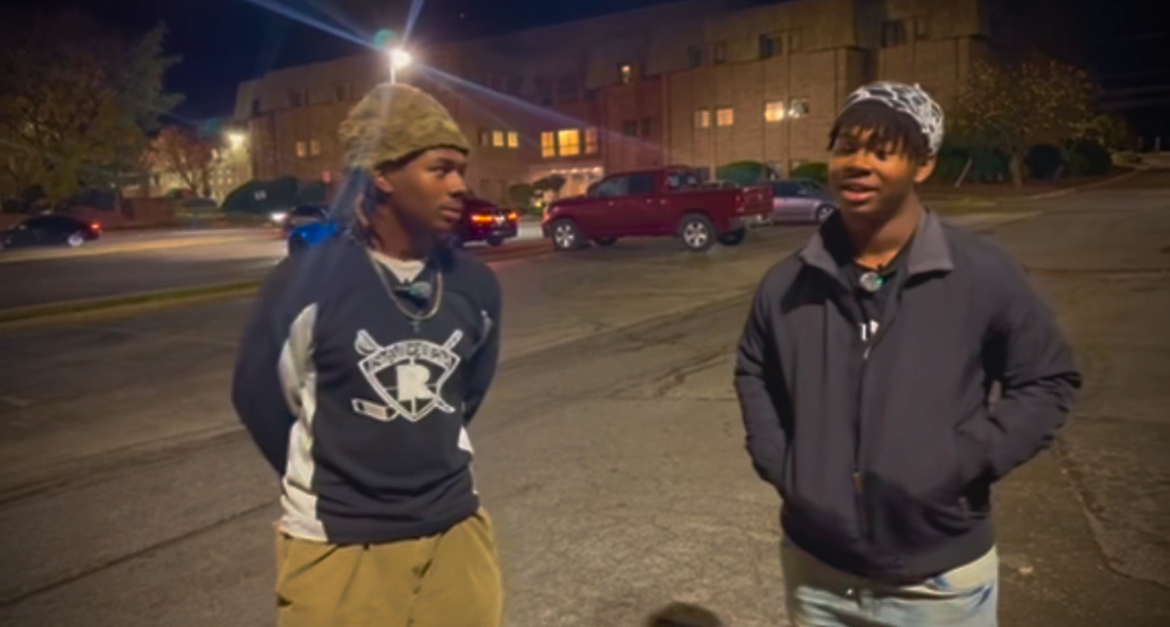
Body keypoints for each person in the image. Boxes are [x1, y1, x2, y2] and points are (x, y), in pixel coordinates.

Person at [733, 82, 1081, 626]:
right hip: (818, 575)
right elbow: (754, 367)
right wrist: (783, 463)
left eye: (881, 151)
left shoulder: (981, 273)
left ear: (923, 164)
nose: (858, 164)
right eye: (847, 147)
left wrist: (961, 463)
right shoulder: (789, 282)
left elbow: (1047, 379)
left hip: (939, 584)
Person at [231, 82, 503, 627]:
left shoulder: (475, 286)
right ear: (383, 174)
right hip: (339, 544)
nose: (459, 186)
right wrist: (343, 471)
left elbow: (464, 395)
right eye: (440, 169)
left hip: (454, 532)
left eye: (461, 171)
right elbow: (261, 398)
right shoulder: (308, 283)